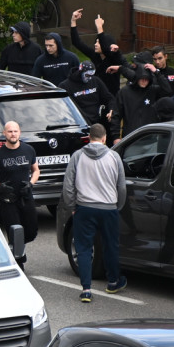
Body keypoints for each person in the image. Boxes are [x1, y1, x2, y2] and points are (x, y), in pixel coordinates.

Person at [61, 123, 127, 302]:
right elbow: (121, 186)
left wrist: (72, 206)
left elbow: (68, 185)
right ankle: (113, 282)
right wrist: (117, 205)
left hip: (84, 208)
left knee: (83, 249)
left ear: (89, 137)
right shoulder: (114, 157)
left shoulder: (78, 156)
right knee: (110, 246)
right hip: (108, 208)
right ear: (104, 138)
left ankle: (86, 290)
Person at [0, 121, 40, 244]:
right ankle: (18, 257)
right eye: (10, 131)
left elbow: (36, 171)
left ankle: (19, 248)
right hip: (8, 200)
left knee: (32, 232)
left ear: (19, 133)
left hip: (26, 197)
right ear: (4, 133)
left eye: (15, 131)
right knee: (15, 234)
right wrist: (0, 186)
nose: (13, 134)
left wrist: (31, 183)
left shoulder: (28, 150)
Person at [69, 9, 126, 95]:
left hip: (111, 96)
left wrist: (99, 27)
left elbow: (106, 48)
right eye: (95, 42)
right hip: (96, 94)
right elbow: (76, 42)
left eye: (99, 42)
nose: (95, 44)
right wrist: (73, 21)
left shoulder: (114, 58)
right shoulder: (95, 55)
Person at [111, 65, 169, 142]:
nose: (144, 81)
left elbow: (167, 90)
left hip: (151, 137)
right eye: (142, 78)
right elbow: (116, 115)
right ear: (137, 78)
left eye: (147, 79)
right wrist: (116, 137)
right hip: (131, 138)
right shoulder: (124, 92)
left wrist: (156, 72)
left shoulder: (152, 90)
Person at [61, 61, 116, 127]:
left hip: (97, 121)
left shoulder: (96, 81)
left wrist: (111, 109)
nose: (90, 78)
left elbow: (109, 97)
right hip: (79, 122)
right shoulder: (65, 85)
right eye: (87, 75)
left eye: (92, 76)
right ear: (80, 72)